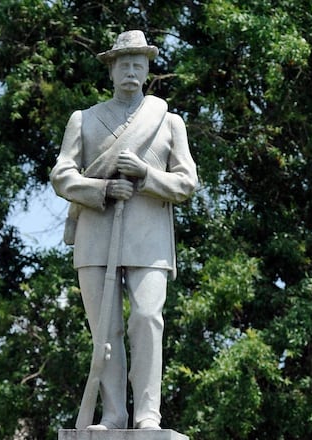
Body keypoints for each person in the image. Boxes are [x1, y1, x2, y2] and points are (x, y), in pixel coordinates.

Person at [50, 30, 198, 430]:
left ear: (148, 70)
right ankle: (114, 414)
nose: (131, 71)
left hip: (149, 239)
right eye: (124, 64)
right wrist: (100, 189)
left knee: (148, 320)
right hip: (96, 234)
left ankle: (149, 414)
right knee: (106, 329)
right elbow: (62, 175)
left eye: (139, 64)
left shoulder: (169, 123)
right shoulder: (84, 119)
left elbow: (186, 182)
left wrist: (147, 174)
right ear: (112, 70)